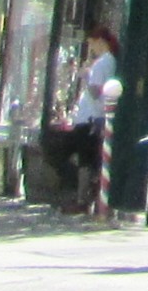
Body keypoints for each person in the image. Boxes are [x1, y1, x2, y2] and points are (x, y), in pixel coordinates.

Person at [43, 25, 118, 213]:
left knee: (77, 156)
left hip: (90, 118)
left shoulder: (102, 63)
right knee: (87, 158)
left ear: (100, 41)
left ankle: (82, 196)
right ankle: (84, 192)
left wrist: (86, 75)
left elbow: (95, 91)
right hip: (91, 117)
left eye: (91, 43)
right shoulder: (108, 62)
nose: (91, 48)